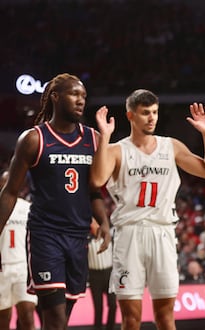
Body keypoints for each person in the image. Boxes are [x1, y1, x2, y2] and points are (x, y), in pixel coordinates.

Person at [89, 89, 205, 330]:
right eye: (145, 113)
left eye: (155, 112)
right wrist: (104, 138)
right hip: (129, 235)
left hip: (163, 233)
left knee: (165, 317)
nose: (151, 118)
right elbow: (97, 180)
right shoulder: (117, 150)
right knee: (131, 319)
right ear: (130, 116)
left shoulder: (171, 146)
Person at [0, 73, 111, 330]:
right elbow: (10, 192)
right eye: (74, 94)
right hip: (45, 236)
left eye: (83, 95)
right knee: (56, 320)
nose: (81, 100)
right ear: (55, 97)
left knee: (63, 319)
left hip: (78, 237)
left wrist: (103, 221)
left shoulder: (92, 139)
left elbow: (94, 190)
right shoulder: (34, 139)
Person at [0, 170, 38, 330]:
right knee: (3, 319)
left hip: (23, 267)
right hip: (2, 269)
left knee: (27, 316)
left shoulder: (29, 208)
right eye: (5, 181)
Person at [88, 218, 117, 330]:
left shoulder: (110, 238)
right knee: (98, 307)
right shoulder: (87, 240)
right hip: (94, 276)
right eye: (93, 223)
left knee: (113, 305)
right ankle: (98, 327)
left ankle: (110, 327)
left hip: (109, 273)